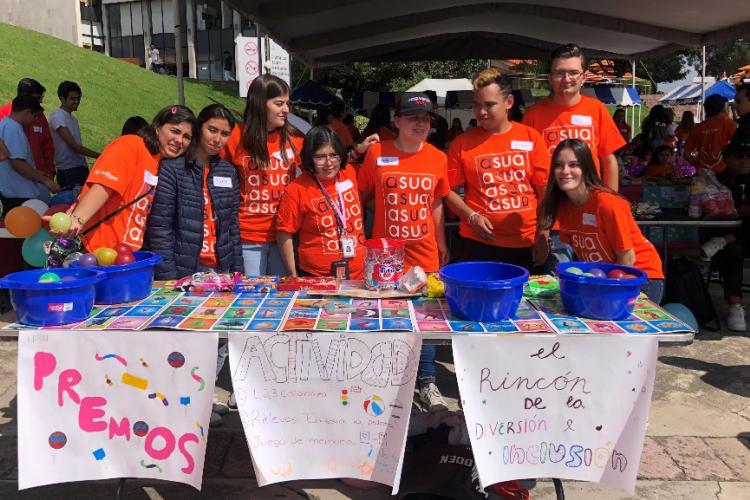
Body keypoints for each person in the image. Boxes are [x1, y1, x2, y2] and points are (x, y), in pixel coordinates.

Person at [358, 92, 452, 413]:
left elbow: (437, 202)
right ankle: (388, 383)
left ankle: (426, 381)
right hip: (386, 257)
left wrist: (441, 242)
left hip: (424, 253)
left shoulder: (438, 158)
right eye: (413, 118)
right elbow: (363, 194)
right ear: (396, 120)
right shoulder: (376, 154)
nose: (420, 124)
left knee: (425, 320)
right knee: (387, 319)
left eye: (425, 119)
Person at [446, 68, 550, 270]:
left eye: (489, 105)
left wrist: (543, 234)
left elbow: (544, 190)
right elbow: (447, 190)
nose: (481, 112)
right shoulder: (462, 144)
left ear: (508, 102)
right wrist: (471, 216)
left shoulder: (531, 138)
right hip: (478, 243)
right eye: (477, 105)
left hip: (525, 242)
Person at [538, 139, 665, 302]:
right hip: (604, 280)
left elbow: (627, 258)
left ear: (586, 168)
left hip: (640, 277)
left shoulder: (607, 204)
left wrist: (612, 295)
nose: (565, 171)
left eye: (573, 165)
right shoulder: (563, 206)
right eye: (558, 165)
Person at [63, 105, 195, 252]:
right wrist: (77, 220)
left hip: (124, 257)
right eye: (175, 131)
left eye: (186, 137)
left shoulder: (164, 166)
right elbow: (104, 186)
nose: (179, 140)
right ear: (157, 127)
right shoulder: (131, 145)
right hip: (90, 249)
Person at [148, 103, 242, 280]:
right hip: (185, 272)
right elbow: (160, 229)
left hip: (222, 270)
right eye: (212, 130)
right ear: (199, 128)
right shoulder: (173, 168)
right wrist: (169, 277)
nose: (217, 139)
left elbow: (232, 228)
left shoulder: (228, 171)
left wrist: (237, 273)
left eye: (224, 134)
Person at [223, 74, 303, 276]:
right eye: (279, 103)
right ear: (260, 103)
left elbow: (323, 167)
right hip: (248, 236)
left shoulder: (294, 140)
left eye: (287, 103)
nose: (286, 110)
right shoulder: (235, 137)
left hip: (283, 236)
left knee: (282, 296)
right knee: (250, 299)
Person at [523, 43, 625, 191]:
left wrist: (611, 203)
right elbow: (526, 166)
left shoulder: (596, 109)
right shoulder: (533, 114)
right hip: (550, 200)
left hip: (589, 197)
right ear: (550, 78)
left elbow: (609, 161)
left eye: (573, 72)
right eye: (559, 73)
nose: (566, 79)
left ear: (583, 77)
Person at [276, 126, 374, 279]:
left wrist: (359, 150)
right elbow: (284, 233)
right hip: (316, 278)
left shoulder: (350, 173)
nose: (329, 163)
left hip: (359, 275)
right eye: (320, 157)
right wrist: (292, 274)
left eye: (333, 155)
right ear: (309, 157)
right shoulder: (296, 190)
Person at [700, 128, 750, 330]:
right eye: (740, 156)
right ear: (727, 158)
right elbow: (714, 208)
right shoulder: (716, 181)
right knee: (733, 251)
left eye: (749, 157)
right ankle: (735, 305)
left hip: (737, 236)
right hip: (723, 236)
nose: (745, 161)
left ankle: (728, 238)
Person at [0, 95, 60, 215]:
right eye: (34, 116)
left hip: (12, 189)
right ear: (27, 112)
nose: (34, 120)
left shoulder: (5, 123)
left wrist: (36, 173)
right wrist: (45, 181)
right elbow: (17, 162)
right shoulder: (13, 128)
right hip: (18, 192)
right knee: (17, 230)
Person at [0, 78, 56, 179]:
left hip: (39, 175)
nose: (40, 101)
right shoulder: (4, 115)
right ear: (25, 96)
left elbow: (48, 146)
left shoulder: (40, 116)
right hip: (11, 176)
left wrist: (50, 170)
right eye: (38, 97)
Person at [49, 81, 100, 189]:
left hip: (80, 167)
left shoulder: (73, 119)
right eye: (73, 99)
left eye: (78, 98)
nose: (76, 101)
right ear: (62, 99)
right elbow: (74, 146)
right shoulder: (57, 115)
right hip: (68, 170)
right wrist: (99, 156)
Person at [684, 94, 736, 173]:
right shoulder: (726, 122)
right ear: (721, 108)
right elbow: (738, 144)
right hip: (723, 172)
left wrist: (696, 165)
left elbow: (686, 154)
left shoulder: (696, 128)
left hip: (702, 172)